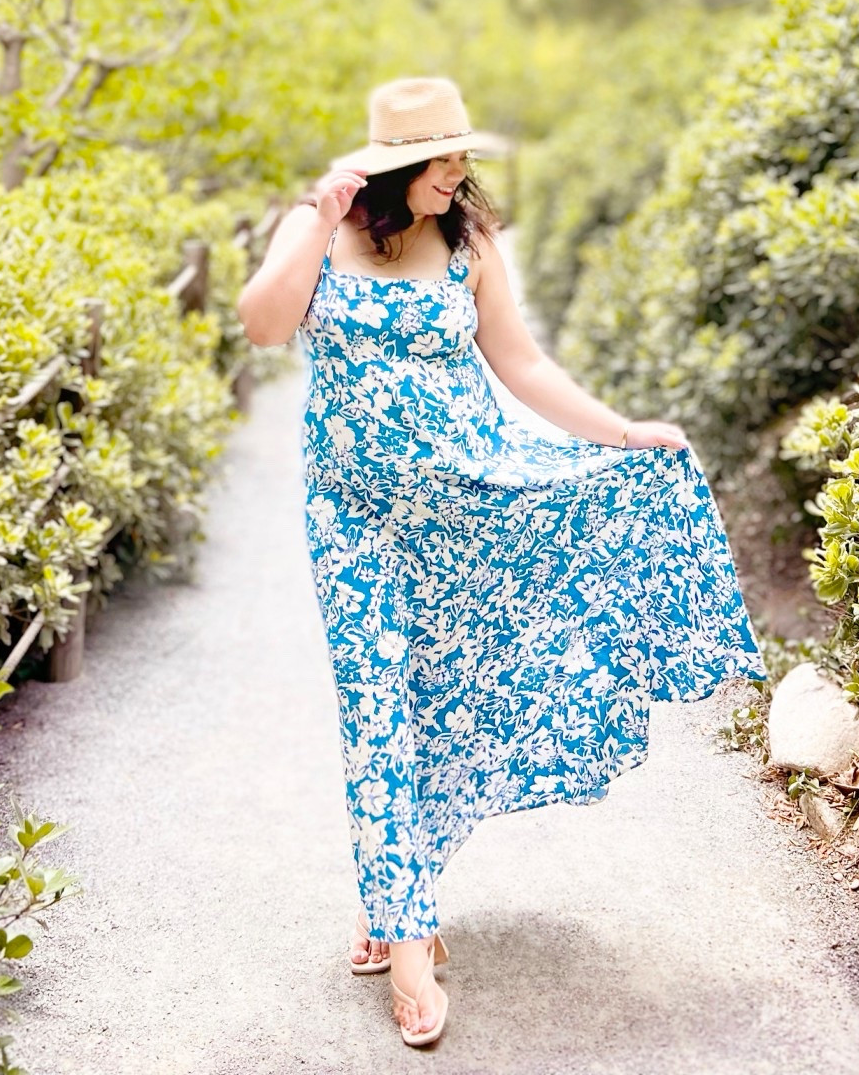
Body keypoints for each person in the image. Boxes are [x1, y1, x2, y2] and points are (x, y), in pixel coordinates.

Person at [238, 76, 763, 1050]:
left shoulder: (467, 244)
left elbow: (521, 363)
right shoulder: (316, 229)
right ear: (393, 167)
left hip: (471, 507)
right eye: (439, 159)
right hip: (354, 519)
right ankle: (408, 942)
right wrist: (319, 217)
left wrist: (622, 432)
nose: (456, 172)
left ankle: (396, 895)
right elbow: (265, 326)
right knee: (374, 703)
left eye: (460, 156)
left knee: (445, 699)